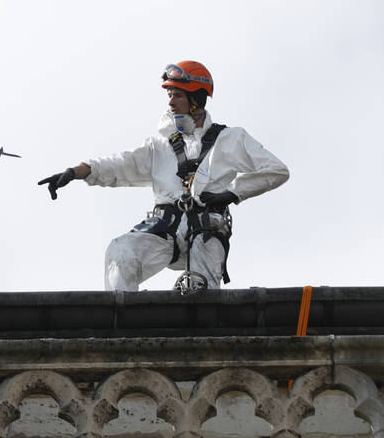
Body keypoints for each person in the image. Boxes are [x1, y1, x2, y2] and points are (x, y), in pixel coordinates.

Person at [38, 60, 289, 292]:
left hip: (205, 229)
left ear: (196, 99)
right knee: (121, 252)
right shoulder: (160, 147)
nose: (170, 103)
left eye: (177, 95)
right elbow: (120, 164)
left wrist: (233, 192)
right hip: (164, 228)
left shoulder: (231, 139)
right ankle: (121, 326)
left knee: (198, 291)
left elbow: (277, 171)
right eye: (169, 95)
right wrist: (76, 172)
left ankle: (201, 332)